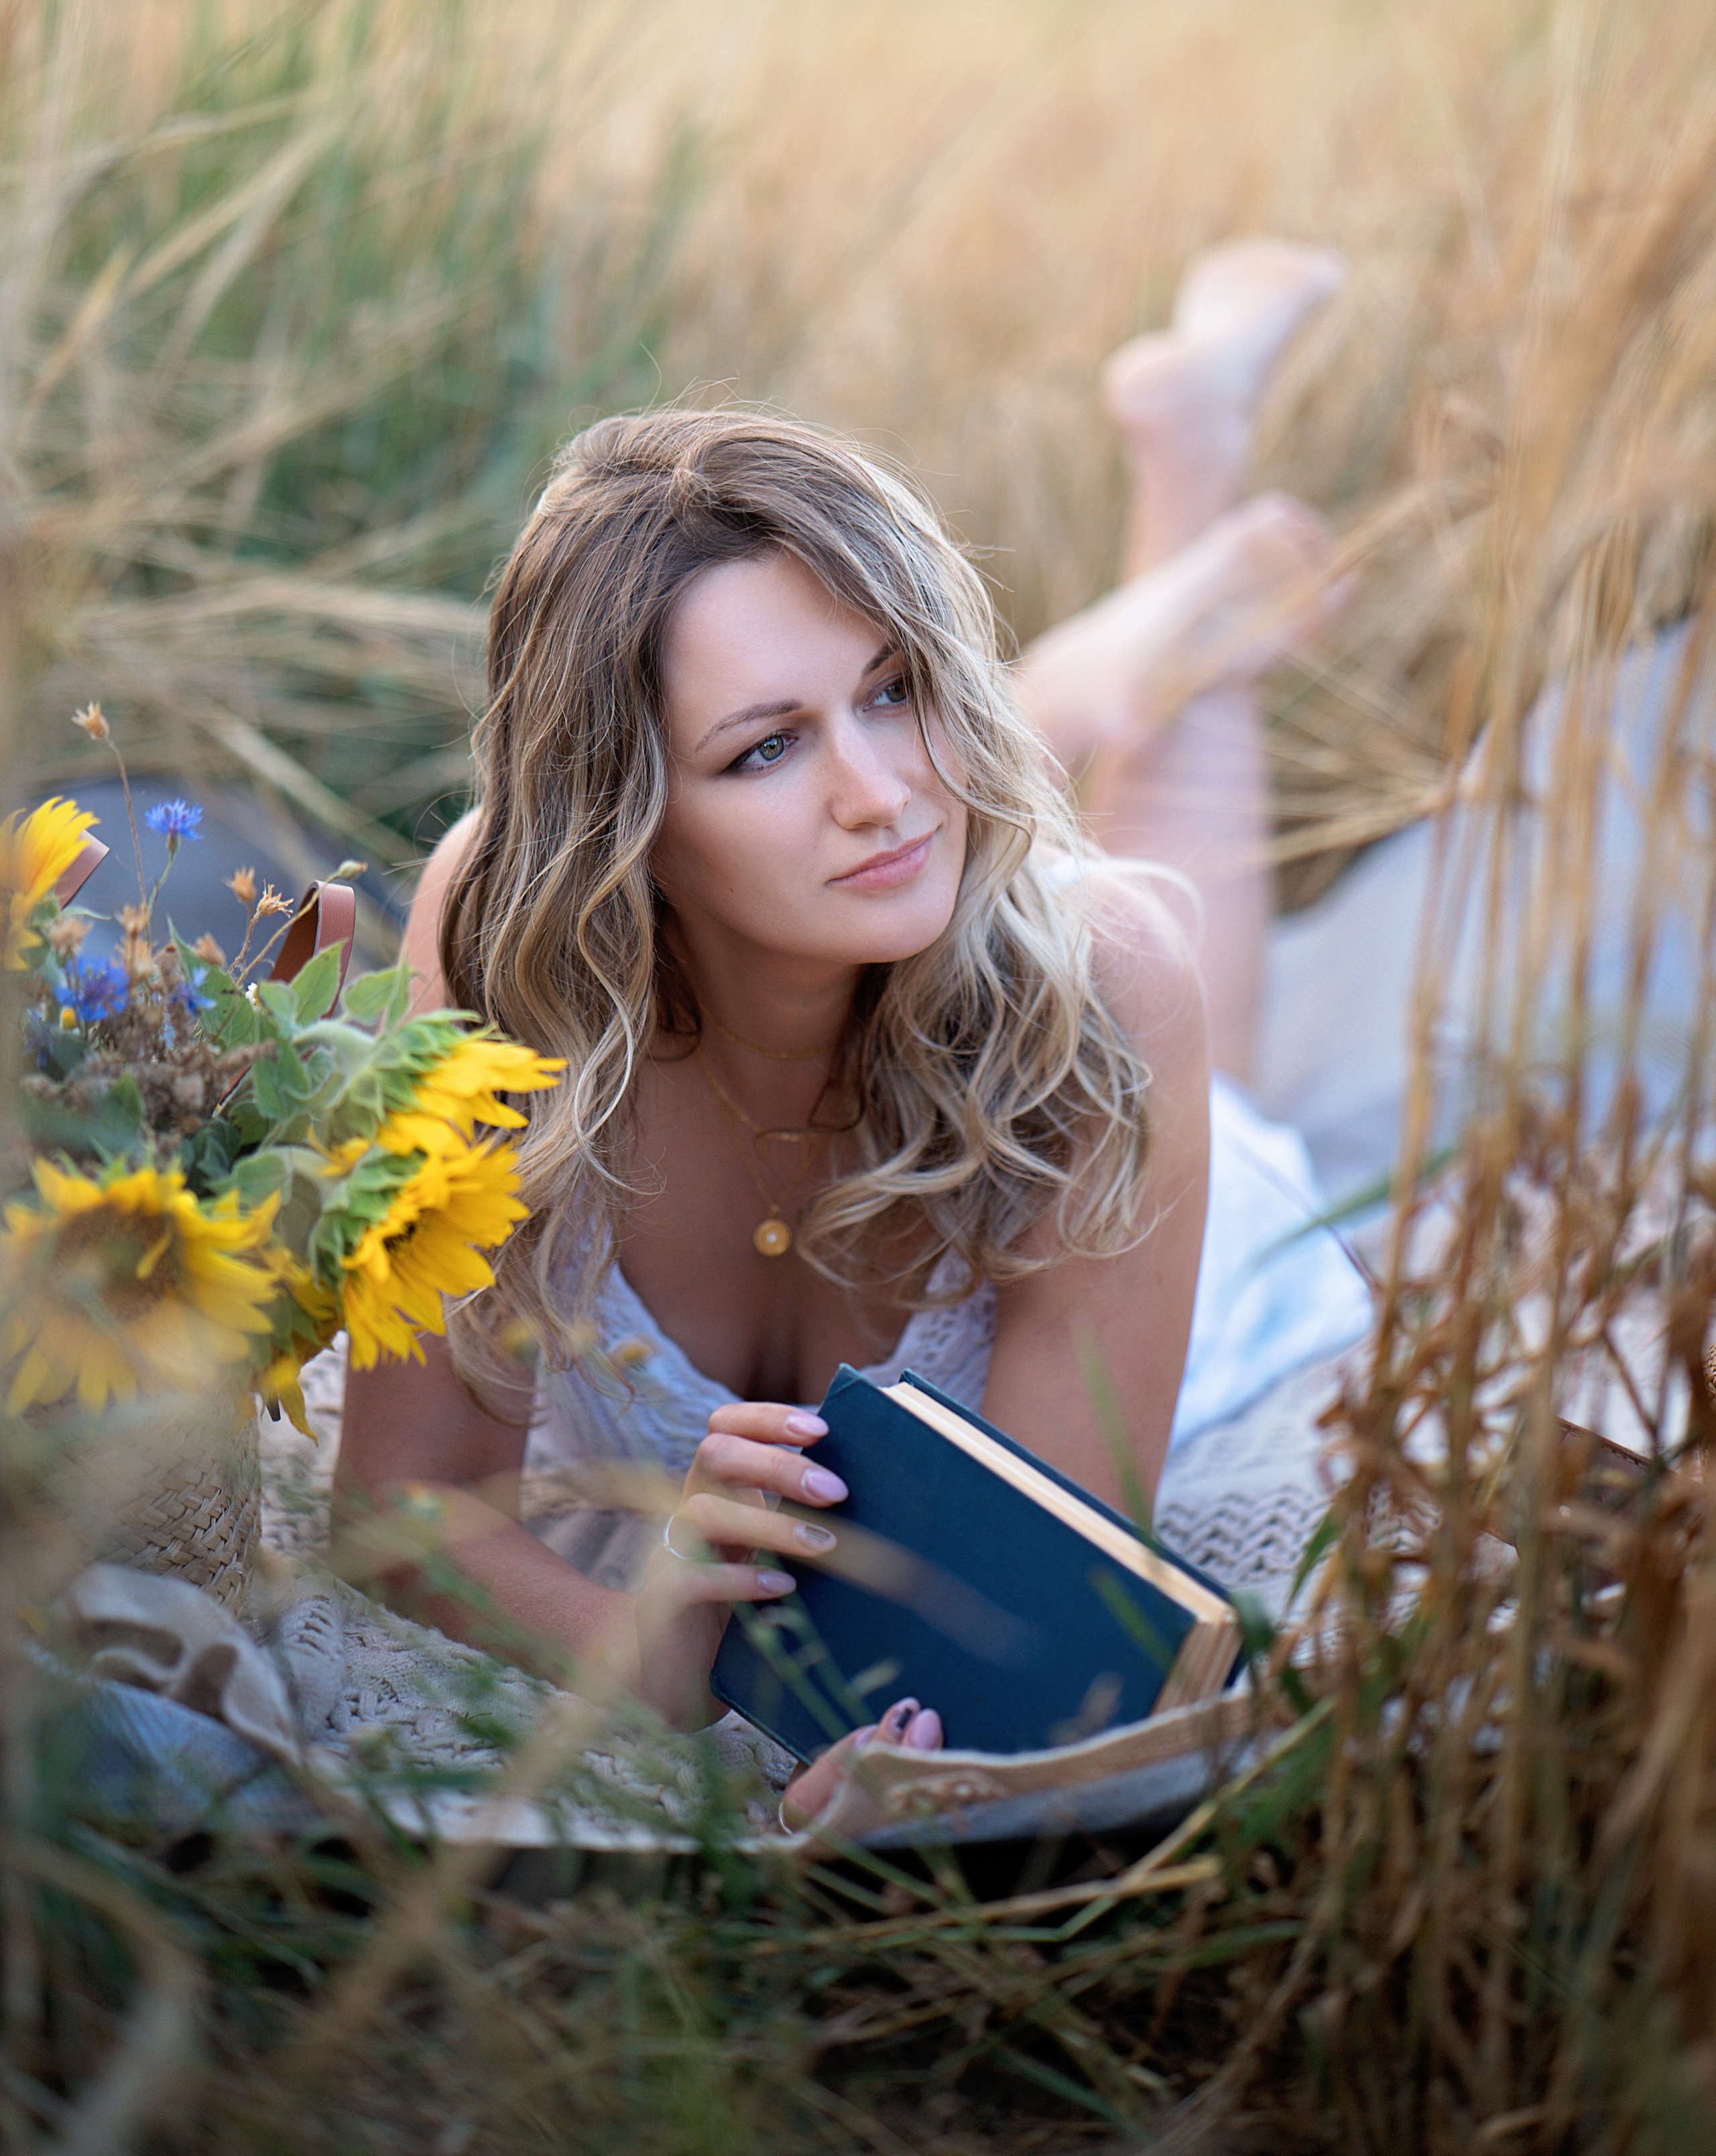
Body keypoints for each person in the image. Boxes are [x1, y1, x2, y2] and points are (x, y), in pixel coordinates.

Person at [334, 241, 1362, 1824]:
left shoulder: (1100, 983)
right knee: (1035, 870)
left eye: (897, 686)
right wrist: (648, 1656)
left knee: (1168, 948)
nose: (880, 789)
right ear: (622, 826)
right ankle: (1129, 634)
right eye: (762, 751)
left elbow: (1031, 1610)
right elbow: (403, 1508)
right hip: (959, 947)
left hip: (1172, 1222)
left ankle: (1185, 477)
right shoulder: (501, 935)